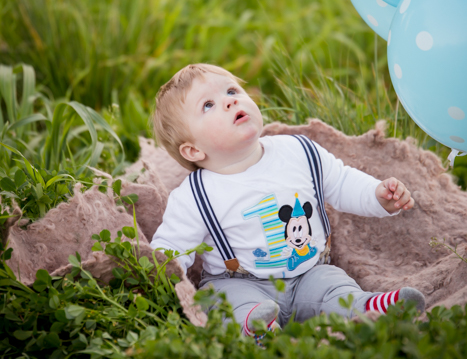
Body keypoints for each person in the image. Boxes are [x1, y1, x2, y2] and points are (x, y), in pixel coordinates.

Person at [150, 63, 424, 338]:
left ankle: (369, 308)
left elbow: (341, 182)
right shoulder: (195, 194)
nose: (230, 100)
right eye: (208, 105)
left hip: (309, 272)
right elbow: (172, 248)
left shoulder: (298, 150)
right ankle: (253, 327)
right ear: (194, 150)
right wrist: (157, 273)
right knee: (225, 301)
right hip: (239, 283)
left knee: (335, 286)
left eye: (232, 90)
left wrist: (377, 195)